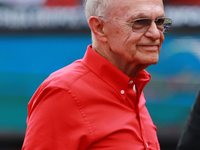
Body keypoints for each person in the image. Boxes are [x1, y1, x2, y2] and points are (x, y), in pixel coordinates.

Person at [22, 0, 172, 149]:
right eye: (139, 22)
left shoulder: (133, 85)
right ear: (99, 28)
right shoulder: (64, 93)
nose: (155, 34)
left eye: (159, 22)